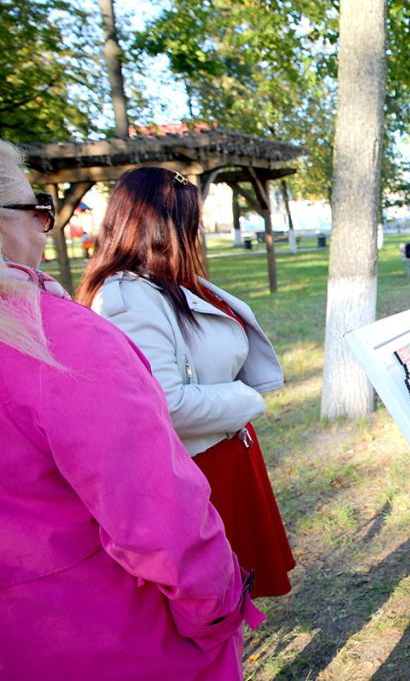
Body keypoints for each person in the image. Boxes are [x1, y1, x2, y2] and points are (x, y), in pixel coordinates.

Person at [0, 140, 261, 679]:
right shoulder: (73, 334)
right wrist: (246, 398)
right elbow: (157, 518)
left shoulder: (163, 288)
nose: (42, 231)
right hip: (111, 633)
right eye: (38, 211)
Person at [78, 167, 295, 599]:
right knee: (213, 601)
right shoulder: (128, 299)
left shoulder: (161, 282)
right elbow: (165, 404)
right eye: (189, 222)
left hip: (226, 456)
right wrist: (245, 397)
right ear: (166, 225)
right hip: (199, 470)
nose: (195, 233)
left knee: (235, 593)